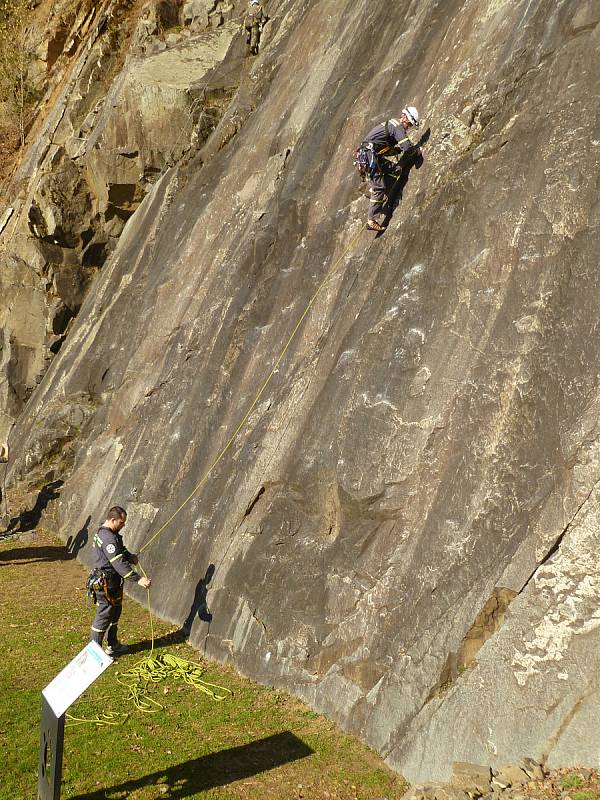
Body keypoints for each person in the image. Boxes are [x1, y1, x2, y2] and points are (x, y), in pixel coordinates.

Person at [89, 505, 151, 656]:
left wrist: (130, 556)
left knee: (115, 611)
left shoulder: (109, 534)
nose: (123, 525)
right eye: (121, 523)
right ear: (112, 520)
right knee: (104, 614)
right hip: (105, 583)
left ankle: (113, 644)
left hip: (113, 583)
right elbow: (118, 563)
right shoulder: (108, 538)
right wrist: (138, 579)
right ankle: (94, 653)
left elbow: (120, 550)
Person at [360, 106, 421, 232]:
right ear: (404, 118)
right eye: (409, 124)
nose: (408, 127)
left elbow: (386, 149)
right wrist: (416, 151)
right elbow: (406, 146)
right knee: (379, 187)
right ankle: (371, 220)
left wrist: (397, 150)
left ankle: (375, 192)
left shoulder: (392, 125)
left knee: (396, 169)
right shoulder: (398, 127)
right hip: (370, 156)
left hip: (371, 156)